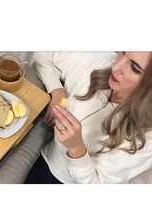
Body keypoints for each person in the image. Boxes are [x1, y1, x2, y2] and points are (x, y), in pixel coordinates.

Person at [24, 51, 152, 184]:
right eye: (123, 52)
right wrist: (57, 90)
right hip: (46, 161)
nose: (115, 67)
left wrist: (76, 149)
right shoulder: (102, 60)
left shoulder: (147, 137)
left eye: (134, 68)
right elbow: (44, 53)